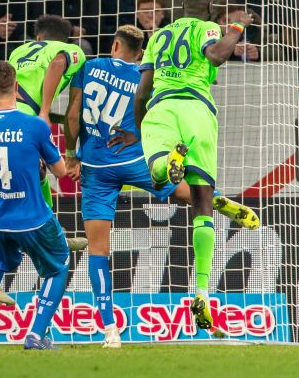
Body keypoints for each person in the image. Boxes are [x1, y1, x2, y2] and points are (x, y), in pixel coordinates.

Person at [64, 25, 260, 348]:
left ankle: (110, 332)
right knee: (187, 193)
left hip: (96, 168)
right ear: (140, 54)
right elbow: (148, 108)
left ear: (113, 45)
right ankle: (218, 202)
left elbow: (72, 116)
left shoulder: (88, 67)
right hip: (132, 156)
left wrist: (72, 155)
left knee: (98, 249)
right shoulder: (144, 75)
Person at [134, 0, 254, 330]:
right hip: (198, 112)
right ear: (211, 5)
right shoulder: (209, 28)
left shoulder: (158, 35)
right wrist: (237, 26)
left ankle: (165, 163)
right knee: (202, 204)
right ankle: (201, 291)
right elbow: (216, 55)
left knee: (157, 171)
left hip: (162, 106)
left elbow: (142, 91)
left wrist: (142, 128)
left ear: (180, 4)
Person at [0, 15, 88, 303]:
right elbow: (59, 62)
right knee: (27, 183)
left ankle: (55, 233)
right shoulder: (72, 51)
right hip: (22, 116)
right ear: (65, 37)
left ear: (37, 36)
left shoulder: (19, 50)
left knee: (25, 180)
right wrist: (46, 111)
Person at [0, 61, 69, 351]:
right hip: (32, 217)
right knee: (58, 267)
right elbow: (60, 172)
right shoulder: (33, 125)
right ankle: (35, 335)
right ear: (17, 88)